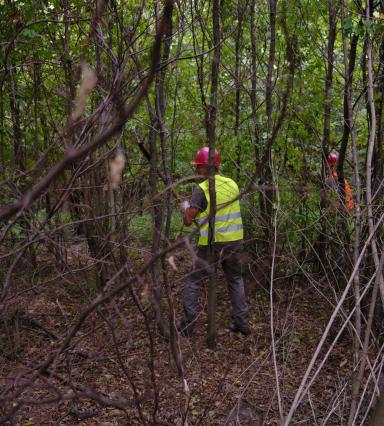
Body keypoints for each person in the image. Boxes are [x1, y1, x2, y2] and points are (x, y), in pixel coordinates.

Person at [176, 147, 251, 337]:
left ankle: (187, 324)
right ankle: (242, 324)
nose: (197, 171)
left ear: (204, 167)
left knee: (194, 281)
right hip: (234, 242)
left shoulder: (201, 190)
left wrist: (185, 208)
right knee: (235, 280)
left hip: (212, 244)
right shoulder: (232, 184)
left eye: (199, 167)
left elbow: (188, 219)